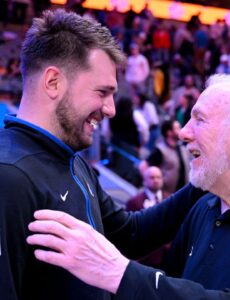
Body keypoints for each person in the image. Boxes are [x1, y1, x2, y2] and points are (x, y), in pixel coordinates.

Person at [27, 74, 230, 299]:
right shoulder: (204, 205)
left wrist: (120, 274)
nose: (183, 132)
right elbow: (139, 243)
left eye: (200, 120)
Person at [0, 9, 204, 300]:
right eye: (102, 92)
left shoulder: (73, 162)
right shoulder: (8, 175)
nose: (111, 108)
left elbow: (129, 236)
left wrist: (206, 179)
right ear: (53, 82)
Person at [126, 166, 171, 268]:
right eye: (152, 177)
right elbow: (129, 231)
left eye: (158, 177)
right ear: (144, 180)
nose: (155, 180)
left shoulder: (171, 199)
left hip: (168, 255)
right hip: (144, 257)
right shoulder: (134, 202)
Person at [139, 119, 190, 193]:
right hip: (164, 195)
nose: (180, 130)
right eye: (177, 128)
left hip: (180, 195)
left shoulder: (182, 148)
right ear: (169, 132)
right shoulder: (161, 150)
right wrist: (151, 185)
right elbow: (143, 166)